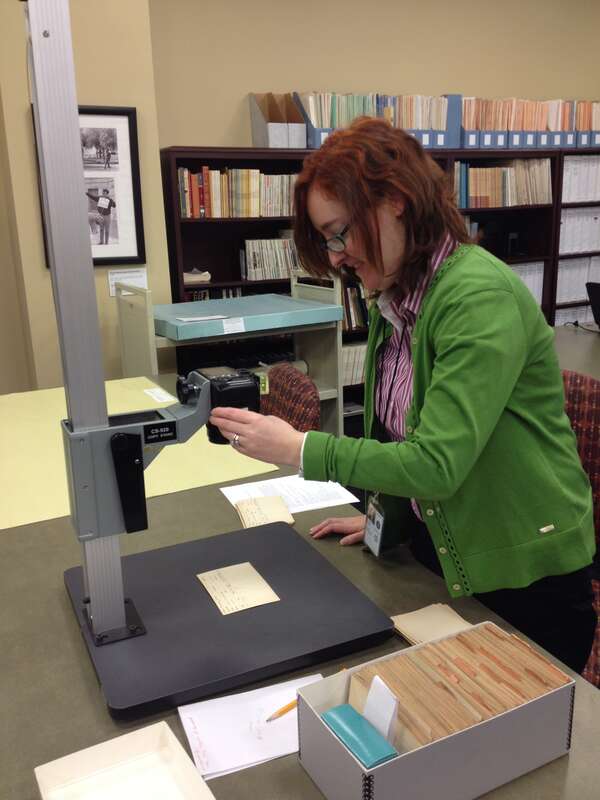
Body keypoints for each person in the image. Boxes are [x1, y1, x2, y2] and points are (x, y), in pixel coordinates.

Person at [209, 117, 597, 673]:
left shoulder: (475, 296)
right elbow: (401, 436)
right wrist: (386, 516)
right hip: (445, 554)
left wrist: (299, 449)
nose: (337, 255)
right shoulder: (394, 299)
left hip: (524, 582)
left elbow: (436, 464)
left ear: (395, 200)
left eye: (340, 232)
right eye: (327, 240)